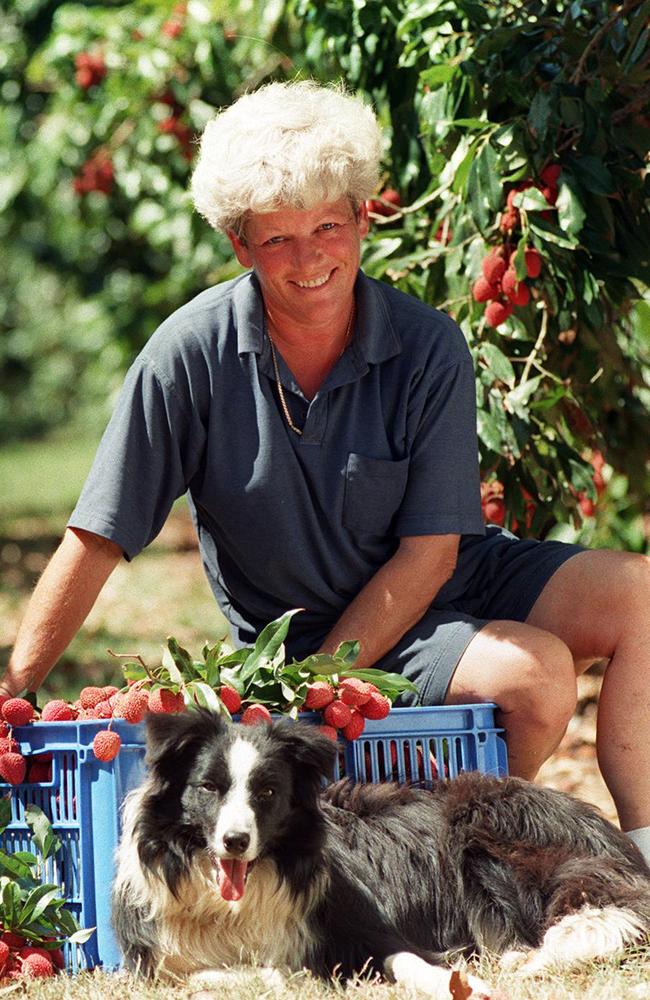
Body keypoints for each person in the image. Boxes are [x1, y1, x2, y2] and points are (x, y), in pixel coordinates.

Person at [3, 81, 650, 863]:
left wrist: (322, 695)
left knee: (639, 594)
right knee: (537, 675)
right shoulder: (189, 356)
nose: (309, 260)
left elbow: (433, 554)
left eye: (327, 228)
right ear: (240, 245)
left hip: (450, 568)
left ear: (363, 220)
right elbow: (98, 535)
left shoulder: (426, 344)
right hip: (313, 631)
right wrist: (17, 685)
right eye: (277, 240)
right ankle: (432, 852)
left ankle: (643, 850)